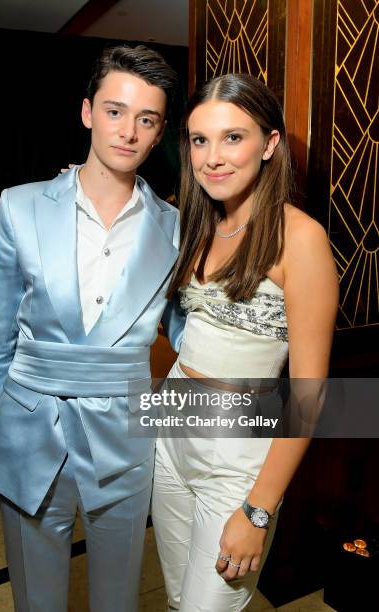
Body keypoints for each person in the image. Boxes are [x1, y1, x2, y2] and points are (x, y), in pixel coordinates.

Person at [0, 45, 185, 612]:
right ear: (88, 112)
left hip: (125, 439)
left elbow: (190, 340)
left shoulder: (179, 230)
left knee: (117, 599)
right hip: (26, 434)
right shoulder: (19, 208)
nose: (128, 132)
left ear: (161, 131)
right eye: (115, 111)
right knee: (35, 600)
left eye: (147, 119)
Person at [151, 74, 339, 611]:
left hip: (237, 450)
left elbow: (309, 393)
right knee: (176, 599)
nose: (213, 157)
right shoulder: (198, 221)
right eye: (199, 139)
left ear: (270, 144)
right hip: (173, 427)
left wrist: (259, 509)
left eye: (234, 137)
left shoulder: (300, 239)